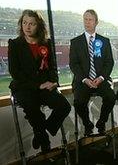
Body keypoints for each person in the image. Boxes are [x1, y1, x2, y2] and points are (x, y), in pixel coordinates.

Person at [8, 10, 71, 153]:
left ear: (39, 26)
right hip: (24, 87)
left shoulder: (47, 43)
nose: (27, 27)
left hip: (45, 86)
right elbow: (15, 73)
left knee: (64, 106)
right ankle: (43, 138)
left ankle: (41, 132)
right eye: (24, 23)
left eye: (32, 24)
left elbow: (53, 67)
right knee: (31, 106)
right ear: (21, 24)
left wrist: (54, 81)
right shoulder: (15, 44)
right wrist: (37, 85)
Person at [69, 9, 116, 136]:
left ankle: (101, 121)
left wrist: (101, 78)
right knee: (78, 102)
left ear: (96, 22)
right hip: (83, 81)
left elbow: (109, 62)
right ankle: (87, 124)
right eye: (85, 19)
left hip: (100, 79)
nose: (87, 22)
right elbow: (74, 64)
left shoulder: (104, 41)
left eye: (90, 20)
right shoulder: (75, 42)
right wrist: (85, 79)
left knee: (111, 97)